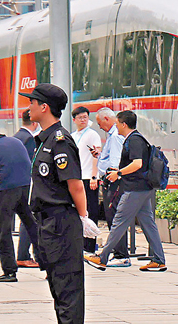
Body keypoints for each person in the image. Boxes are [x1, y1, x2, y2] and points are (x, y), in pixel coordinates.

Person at [20, 82, 99, 324]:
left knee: (68, 288)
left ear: (44, 107)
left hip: (62, 223)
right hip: (48, 224)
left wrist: (83, 218)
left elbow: (75, 185)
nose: (28, 107)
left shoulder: (60, 140)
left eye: (32, 102)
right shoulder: (44, 140)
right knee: (57, 285)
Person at [84, 110, 166, 272]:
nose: (116, 126)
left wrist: (118, 173)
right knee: (148, 224)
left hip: (135, 189)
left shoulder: (134, 140)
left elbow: (137, 164)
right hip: (142, 188)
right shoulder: (135, 138)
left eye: (117, 123)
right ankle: (159, 259)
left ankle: (102, 257)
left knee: (119, 222)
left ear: (124, 124)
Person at [0, 123, 42, 282]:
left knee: (4, 230)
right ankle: (47, 264)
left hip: (6, 190)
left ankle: (9, 271)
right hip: (26, 186)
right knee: (31, 224)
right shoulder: (16, 142)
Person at [93, 107, 130, 267]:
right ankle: (119, 253)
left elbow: (115, 161)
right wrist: (101, 156)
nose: (100, 127)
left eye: (100, 123)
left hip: (113, 181)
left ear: (107, 119)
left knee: (114, 217)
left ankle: (121, 255)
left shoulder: (115, 137)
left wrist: (111, 176)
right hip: (113, 180)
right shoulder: (113, 136)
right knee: (115, 217)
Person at [71, 106, 102, 253]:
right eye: (80, 118)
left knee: (91, 210)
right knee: (79, 212)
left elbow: (96, 156)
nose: (83, 120)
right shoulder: (73, 136)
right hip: (77, 177)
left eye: (85, 117)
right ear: (74, 120)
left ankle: (90, 245)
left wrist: (94, 176)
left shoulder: (92, 134)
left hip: (89, 177)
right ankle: (80, 244)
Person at [13, 110, 40, 268]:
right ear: (34, 122)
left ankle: (23, 254)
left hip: (16, 184)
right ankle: (24, 255)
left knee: (26, 219)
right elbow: (30, 162)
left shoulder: (16, 136)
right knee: (29, 220)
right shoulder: (29, 138)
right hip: (28, 183)